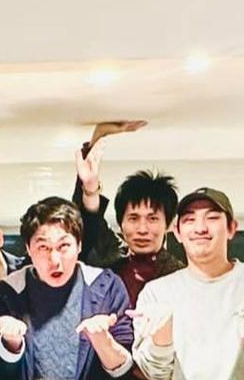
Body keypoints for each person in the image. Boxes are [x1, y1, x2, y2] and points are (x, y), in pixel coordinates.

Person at [132, 187, 244, 380]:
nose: (200, 228)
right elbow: (155, 373)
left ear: (232, 228)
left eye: (212, 218)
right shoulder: (157, 293)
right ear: (177, 232)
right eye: (189, 219)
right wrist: (162, 336)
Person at [0, 199, 134, 380]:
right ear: (28, 249)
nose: (54, 260)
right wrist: (11, 343)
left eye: (63, 246)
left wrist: (103, 341)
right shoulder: (6, 292)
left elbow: (125, 372)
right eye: (43, 247)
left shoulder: (107, 286)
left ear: (79, 245)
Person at [73, 124, 185, 303]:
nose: (142, 229)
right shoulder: (109, 258)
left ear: (169, 223)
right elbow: (88, 221)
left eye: (152, 218)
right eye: (133, 218)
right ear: (121, 222)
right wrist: (90, 185)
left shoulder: (180, 277)